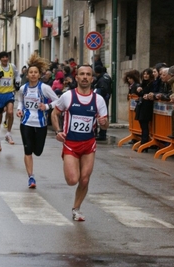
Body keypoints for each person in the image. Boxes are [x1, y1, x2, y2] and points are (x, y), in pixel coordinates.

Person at [51, 65, 109, 221]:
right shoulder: (68, 96)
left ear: (92, 78)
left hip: (89, 144)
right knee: (72, 180)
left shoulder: (99, 100)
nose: (84, 77)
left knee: (84, 179)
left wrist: (103, 123)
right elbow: (55, 113)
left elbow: (105, 124)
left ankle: (76, 209)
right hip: (71, 143)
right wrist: (58, 131)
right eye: (82, 74)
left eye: (88, 75)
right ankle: (76, 204)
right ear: (76, 78)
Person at [16, 54, 59, 188]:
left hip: (41, 124)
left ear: (39, 74)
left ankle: (34, 150)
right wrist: (19, 109)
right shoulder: (23, 89)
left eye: (36, 72)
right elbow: (20, 101)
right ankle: (31, 177)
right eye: (31, 72)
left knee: (38, 151)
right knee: (27, 150)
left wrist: (46, 106)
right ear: (27, 75)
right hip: (26, 123)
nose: (33, 75)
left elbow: (58, 100)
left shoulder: (44, 88)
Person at [0, 51, 21, 151]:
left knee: (10, 113)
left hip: (10, 94)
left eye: (6, 57)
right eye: (3, 57)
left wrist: (17, 82)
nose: (5, 59)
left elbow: (17, 75)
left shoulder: (12, 67)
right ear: (0, 59)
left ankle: (8, 134)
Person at [135, 68, 154, 148]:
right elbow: (140, 94)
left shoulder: (151, 84)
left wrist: (141, 92)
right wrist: (138, 90)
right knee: (142, 125)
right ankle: (143, 142)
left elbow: (146, 94)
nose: (145, 76)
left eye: (147, 74)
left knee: (145, 125)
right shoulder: (142, 84)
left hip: (146, 107)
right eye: (144, 74)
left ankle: (144, 143)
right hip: (141, 106)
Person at [94, 65, 112, 141]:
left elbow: (103, 89)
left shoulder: (102, 79)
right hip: (104, 99)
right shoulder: (106, 77)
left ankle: (102, 134)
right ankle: (101, 133)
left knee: (102, 116)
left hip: (102, 99)